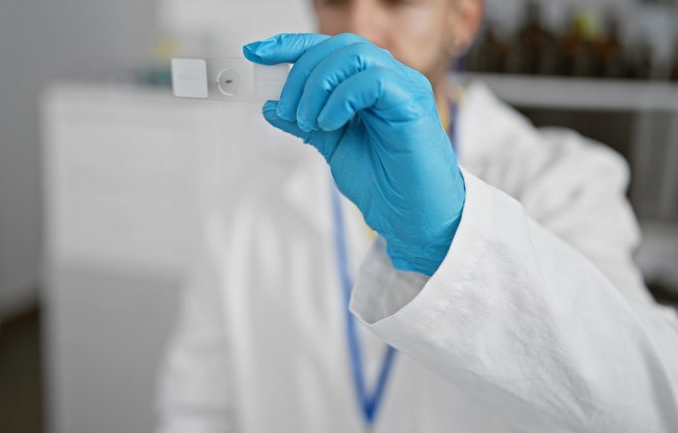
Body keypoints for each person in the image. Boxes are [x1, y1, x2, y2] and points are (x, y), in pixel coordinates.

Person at [155, 1, 678, 432]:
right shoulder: (243, 214)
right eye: (338, 1)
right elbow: (197, 413)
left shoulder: (562, 180)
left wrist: (448, 239)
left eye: (397, 2)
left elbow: (645, 403)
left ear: (463, 20)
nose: (360, 28)